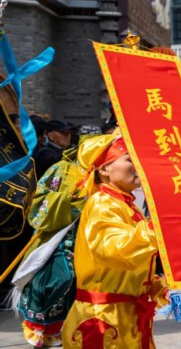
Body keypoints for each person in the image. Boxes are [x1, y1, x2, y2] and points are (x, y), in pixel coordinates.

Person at [61, 133, 167, 349]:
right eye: (130, 159)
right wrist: (157, 226)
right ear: (104, 169)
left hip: (126, 316)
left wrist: (156, 285)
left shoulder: (126, 205)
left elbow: (128, 266)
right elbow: (116, 251)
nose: (138, 165)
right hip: (102, 321)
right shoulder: (102, 204)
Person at [11, 125, 101, 347]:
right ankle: (37, 325)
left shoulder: (106, 172)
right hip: (61, 235)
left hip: (93, 236)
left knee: (83, 286)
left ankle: (63, 328)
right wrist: (68, 200)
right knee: (60, 278)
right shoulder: (63, 169)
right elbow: (42, 199)